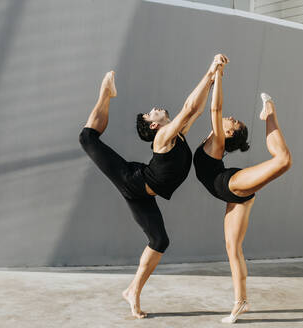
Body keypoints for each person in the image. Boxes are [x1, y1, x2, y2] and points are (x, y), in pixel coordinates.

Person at [79, 55, 225, 318]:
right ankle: (105, 93)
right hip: (132, 181)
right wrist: (209, 72)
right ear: (155, 126)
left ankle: (132, 291)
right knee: (87, 138)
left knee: (159, 241)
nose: (153, 109)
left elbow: (197, 109)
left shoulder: (177, 134)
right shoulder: (163, 137)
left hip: (143, 194)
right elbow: (189, 108)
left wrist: (212, 80)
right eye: (150, 114)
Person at [193, 57, 292, 323]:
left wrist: (220, 74)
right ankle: (241, 302)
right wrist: (211, 74)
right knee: (232, 248)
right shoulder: (212, 139)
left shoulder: (217, 142)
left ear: (228, 134)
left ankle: (269, 111)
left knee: (283, 161)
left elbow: (216, 108)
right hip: (231, 196)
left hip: (231, 184)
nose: (233, 118)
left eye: (234, 124)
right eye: (235, 120)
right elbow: (205, 108)